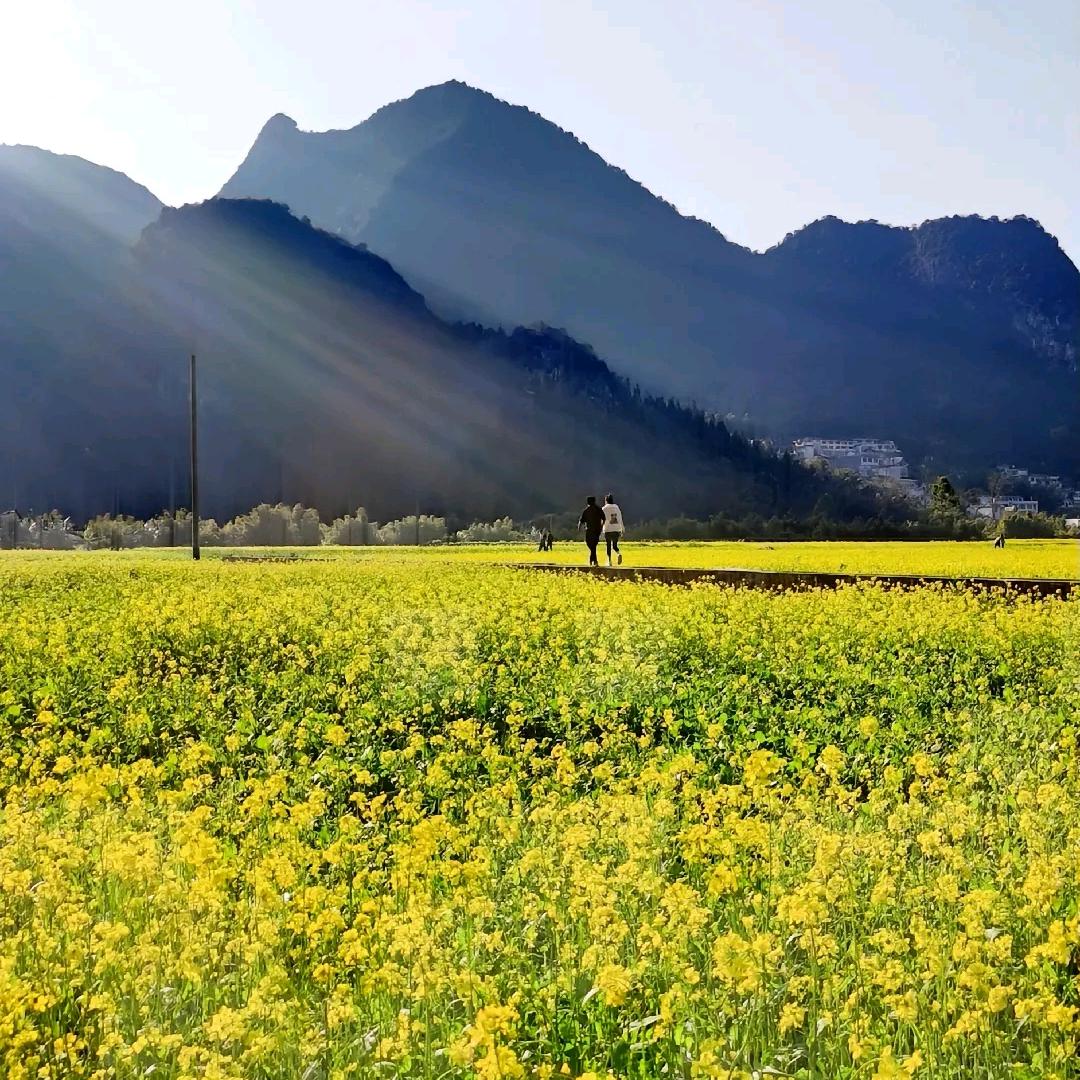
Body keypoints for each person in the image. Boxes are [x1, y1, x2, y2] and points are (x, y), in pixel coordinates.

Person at [578, 496, 605, 565]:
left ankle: (593, 560)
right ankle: (594, 560)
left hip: (589, 530)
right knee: (594, 545)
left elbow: (581, 521)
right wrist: (602, 526)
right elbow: (604, 518)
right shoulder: (599, 509)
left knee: (589, 544)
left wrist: (579, 528)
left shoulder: (586, 510)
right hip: (597, 530)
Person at [602, 493, 624, 566]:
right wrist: (622, 528)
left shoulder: (604, 508)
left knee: (608, 545)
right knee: (614, 546)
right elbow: (620, 518)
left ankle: (609, 561)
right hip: (616, 529)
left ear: (606, 500)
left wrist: (600, 527)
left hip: (608, 529)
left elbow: (602, 519)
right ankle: (618, 553)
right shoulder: (616, 507)